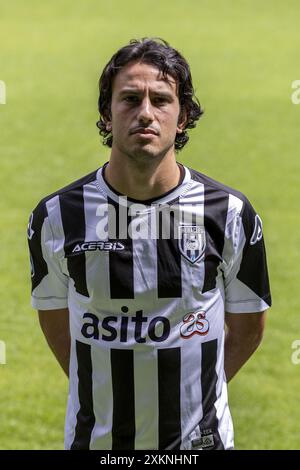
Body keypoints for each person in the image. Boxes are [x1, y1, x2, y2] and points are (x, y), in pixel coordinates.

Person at [27, 38, 271, 450]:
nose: (145, 113)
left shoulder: (229, 213)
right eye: (129, 99)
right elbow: (54, 320)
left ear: (183, 117)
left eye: (160, 100)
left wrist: (194, 392)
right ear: (106, 114)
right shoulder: (55, 216)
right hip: (97, 445)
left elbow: (248, 326)